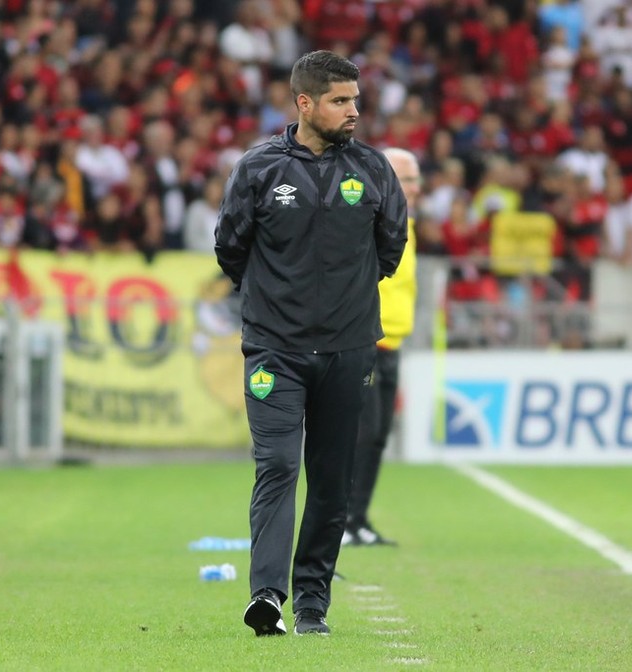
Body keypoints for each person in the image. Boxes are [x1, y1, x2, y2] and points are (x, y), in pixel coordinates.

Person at [214, 50, 407, 637]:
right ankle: (267, 595)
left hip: (349, 352)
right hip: (274, 350)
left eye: (355, 100)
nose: (354, 111)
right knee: (276, 463)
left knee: (331, 477)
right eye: (340, 101)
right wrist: (284, 303)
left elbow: (389, 249)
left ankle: (312, 602)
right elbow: (230, 250)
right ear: (305, 103)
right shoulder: (258, 169)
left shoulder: (373, 170)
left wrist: (339, 303)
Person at [343, 147, 420, 547]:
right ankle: (340, 522)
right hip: (366, 342)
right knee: (360, 433)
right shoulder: (367, 220)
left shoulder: (407, 224)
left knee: (376, 437)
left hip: (393, 343)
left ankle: (358, 520)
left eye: (414, 180)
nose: (413, 188)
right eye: (405, 179)